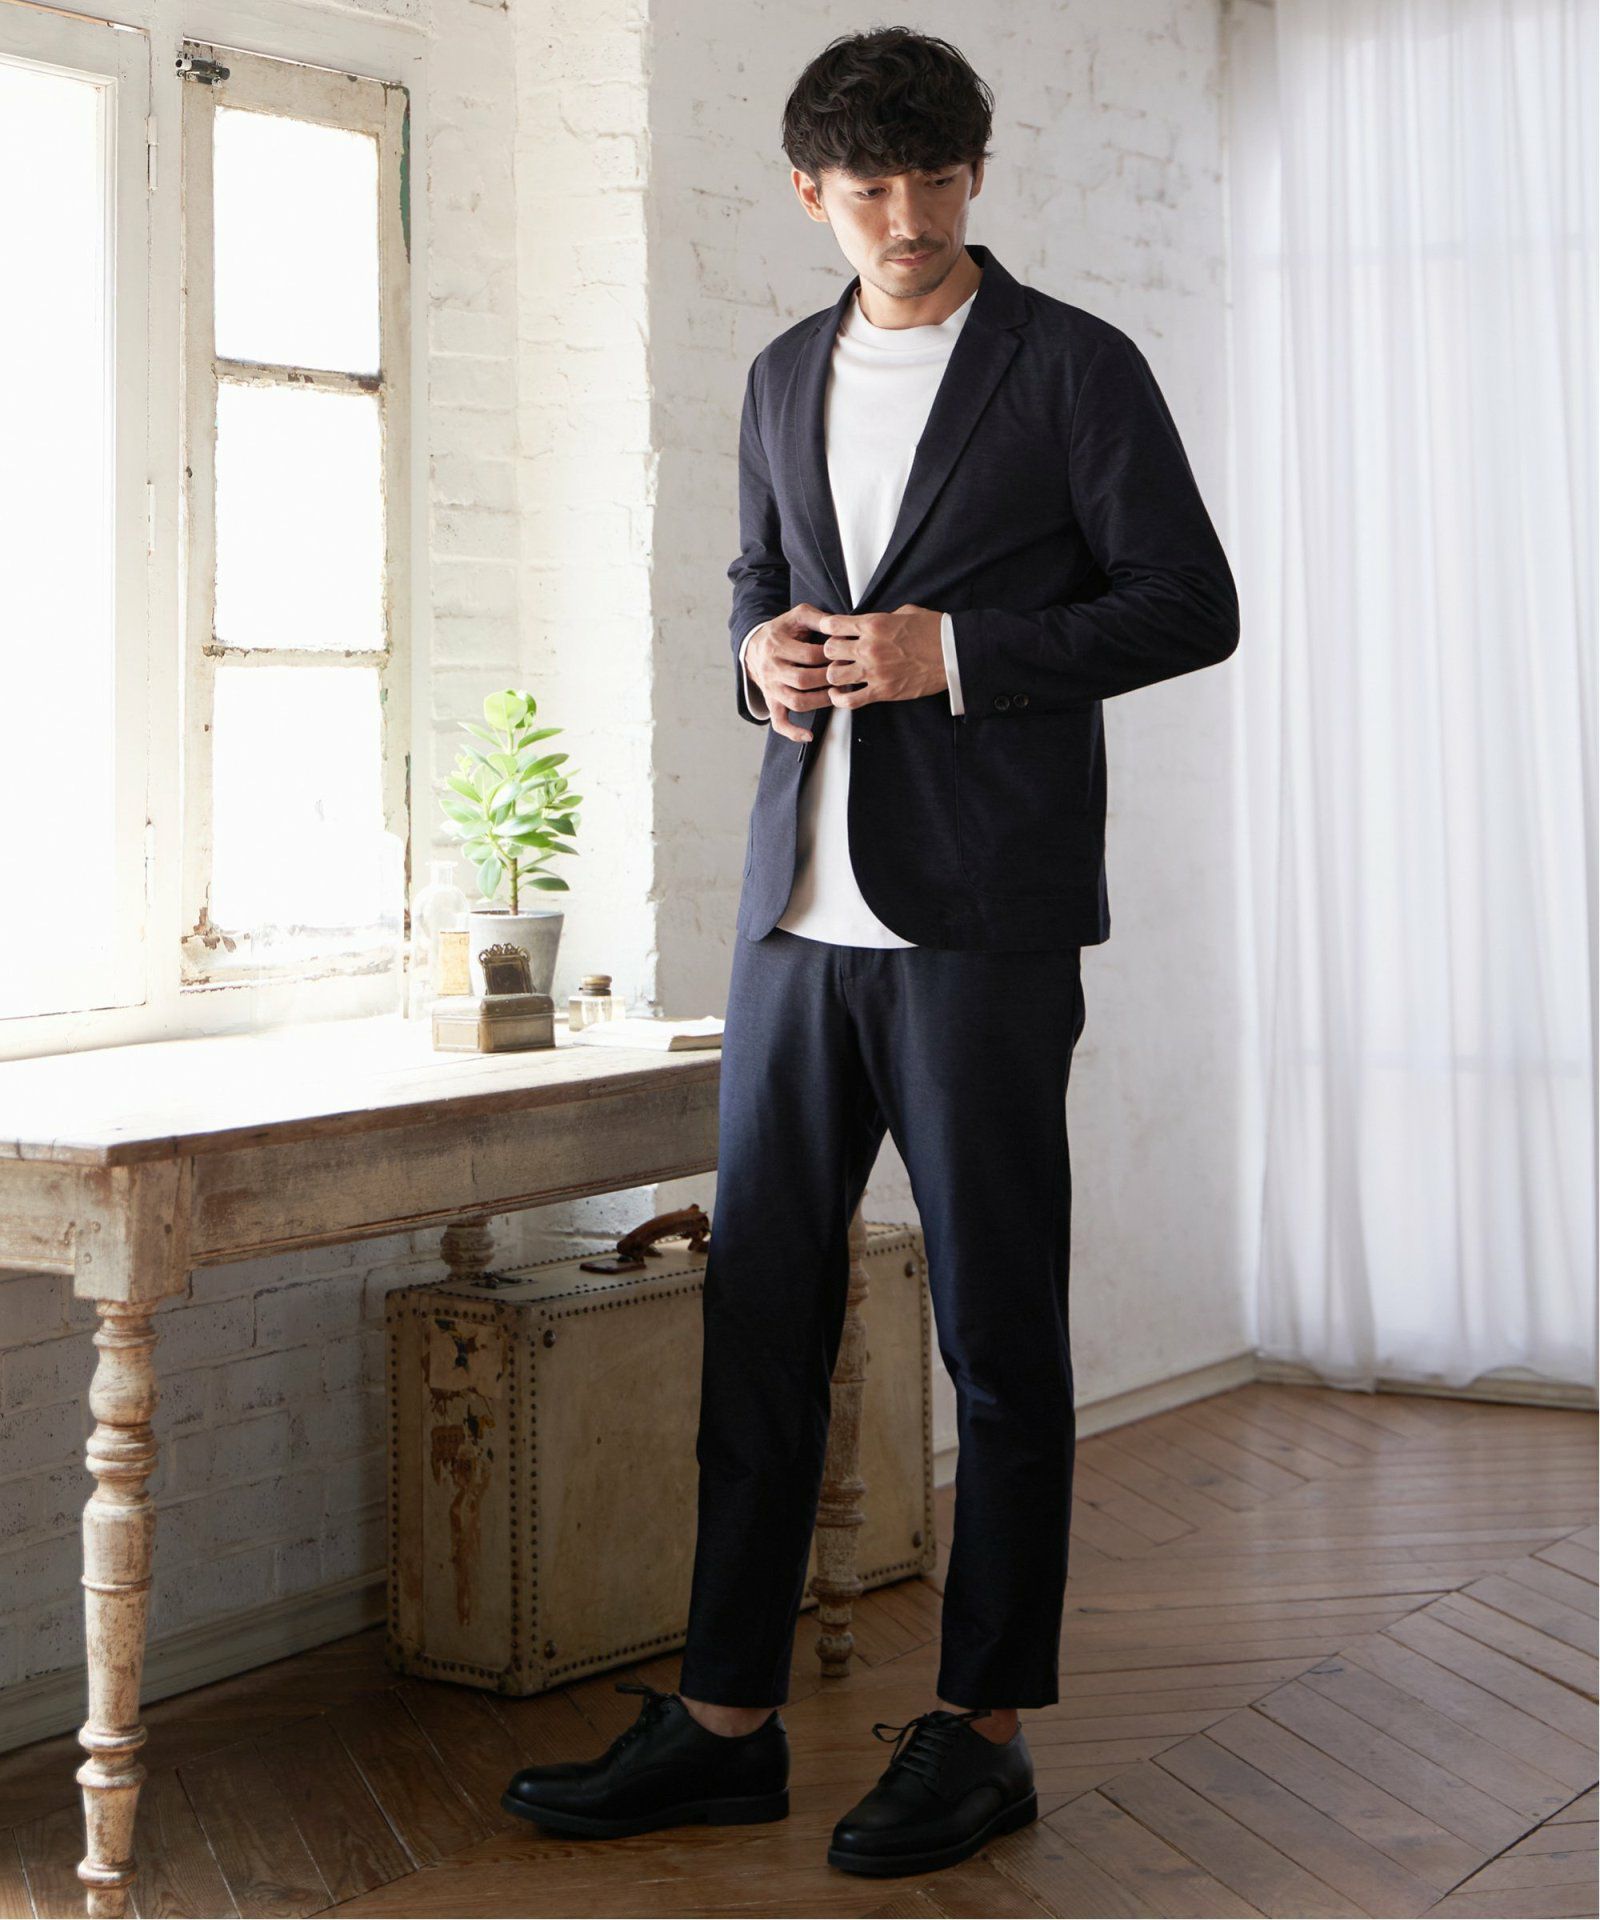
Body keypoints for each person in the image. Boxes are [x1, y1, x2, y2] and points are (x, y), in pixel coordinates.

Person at [503, 24, 1239, 1878]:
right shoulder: (779, 373)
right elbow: (759, 577)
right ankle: (725, 1723)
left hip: (981, 922)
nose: (902, 217)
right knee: (760, 1321)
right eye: (865, 187)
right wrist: (755, 654)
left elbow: (1189, 603)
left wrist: (957, 655)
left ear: (976, 174)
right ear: (810, 192)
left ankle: (983, 1730)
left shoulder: (1073, 366)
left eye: (932, 179)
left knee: (996, 1329)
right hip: (794, 919)